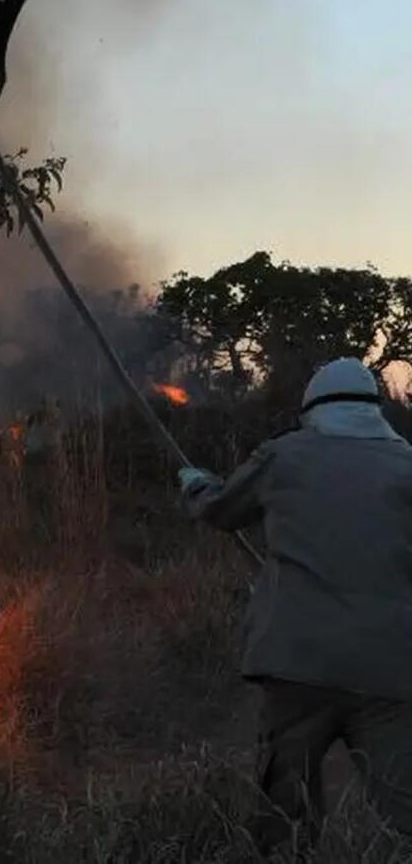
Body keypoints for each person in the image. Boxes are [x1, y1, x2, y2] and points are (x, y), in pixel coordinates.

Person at [180, 357, 412, 851]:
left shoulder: (284, 456)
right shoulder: (407, 465)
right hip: (389, 669)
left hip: (297, 663)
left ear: (314, 409)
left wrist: (197, 486)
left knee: (286, 810)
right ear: (375, 409)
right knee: (404, 807)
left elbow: (222, 511)